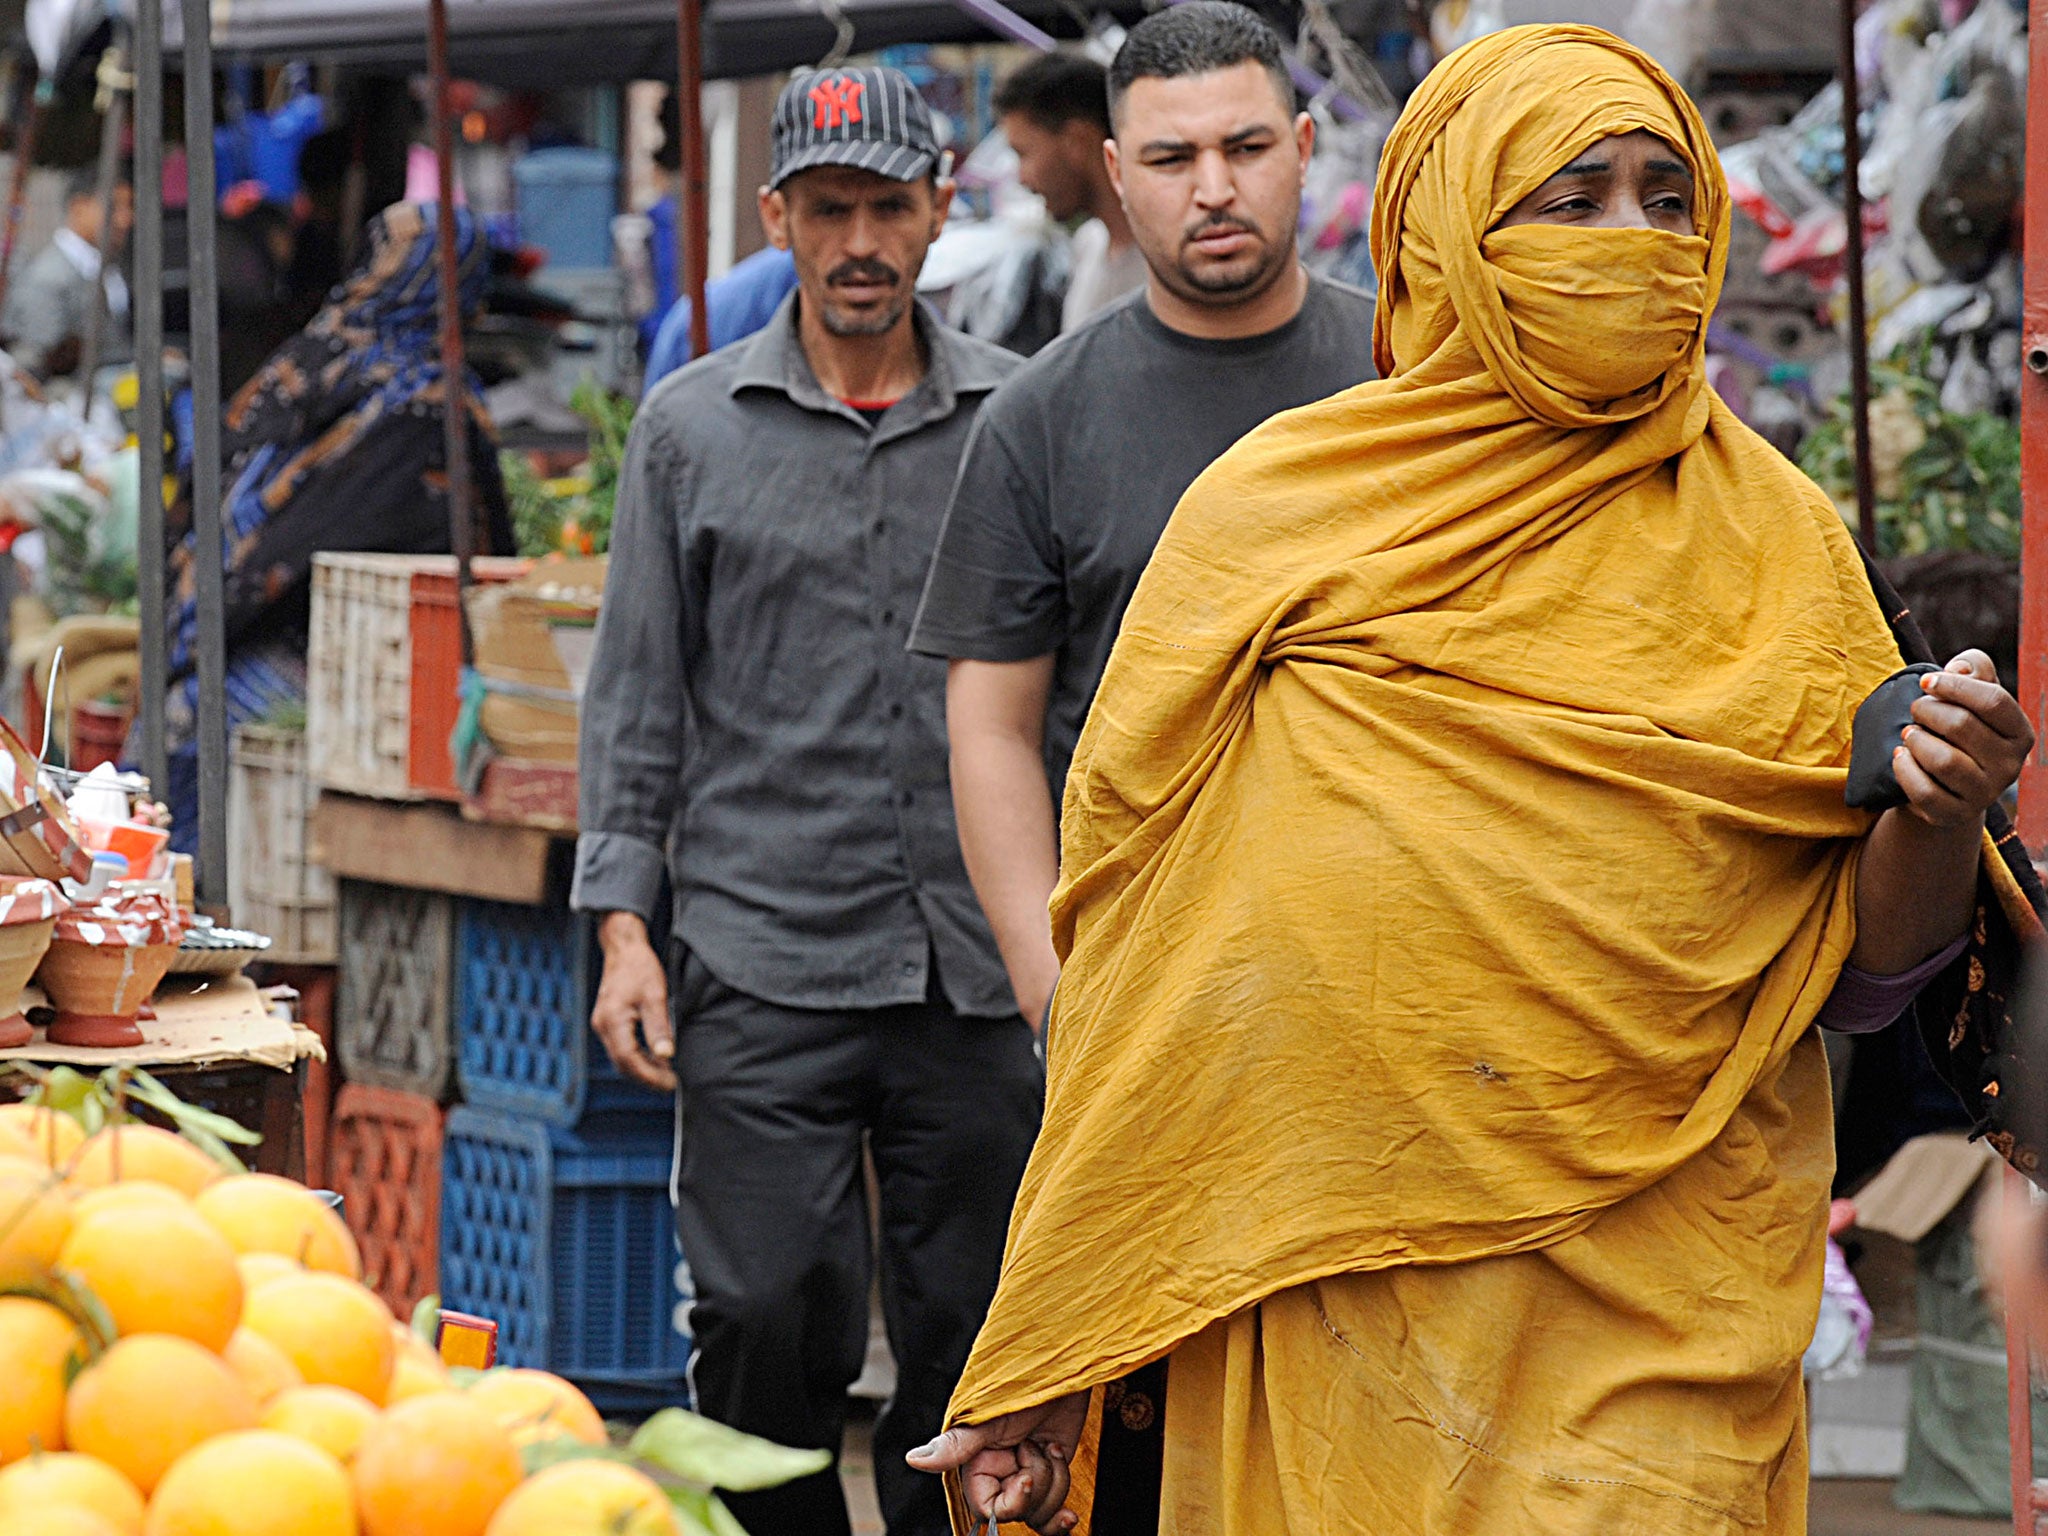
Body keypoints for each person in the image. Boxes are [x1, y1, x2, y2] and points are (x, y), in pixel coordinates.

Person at [909, 26, 2044, 1535]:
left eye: (1664, 195)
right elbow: (1157, 983)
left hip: (1662, 1320)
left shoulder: (1776, 546)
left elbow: (1867, 981)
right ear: (1447, 228)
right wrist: (1059, 1338)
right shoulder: (1272, 525)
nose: (1634, 241)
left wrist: (1941, 808)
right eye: (1571, 200)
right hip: (1328, 1304)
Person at [572, 66, 1041, 1536]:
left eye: (887, 207)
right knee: (770, 1314)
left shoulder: (1019, 421)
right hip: (762, 943)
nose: (857, 240)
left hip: (975, 958)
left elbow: (1076, 692)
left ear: (939, 210)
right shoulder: (692, 428)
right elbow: (637, 692)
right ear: (776, 216)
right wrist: (623, 929)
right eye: (826, 208)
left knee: (979, 1334)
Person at [910, 1, 1376, 1043]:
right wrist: (1051, 991)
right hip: (1146, 985)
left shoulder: (1410, 378)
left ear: (1301, 151)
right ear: (1118, 175)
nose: (1212, 189)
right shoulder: (1039, 416)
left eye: (1245, 148)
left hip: (1394, 972)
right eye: (1172, 158)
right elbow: (990, 726)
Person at [161, 202, 511, 847]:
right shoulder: (432, 406)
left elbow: (202, 494)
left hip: (201, 654)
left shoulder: (308, 357)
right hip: (333, 681)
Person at [993, 52, 1144, 333]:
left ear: (1078, 140)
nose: (1021, 178)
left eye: (1023, 153)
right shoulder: (1088, 247)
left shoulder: (1166, 261)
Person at [2, 166, 134, 380]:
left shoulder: (106, 266)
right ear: (79, 207)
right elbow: (39, 364)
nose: (126, 219)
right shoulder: (47, 278)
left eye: (129, 207)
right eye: (115, 207)